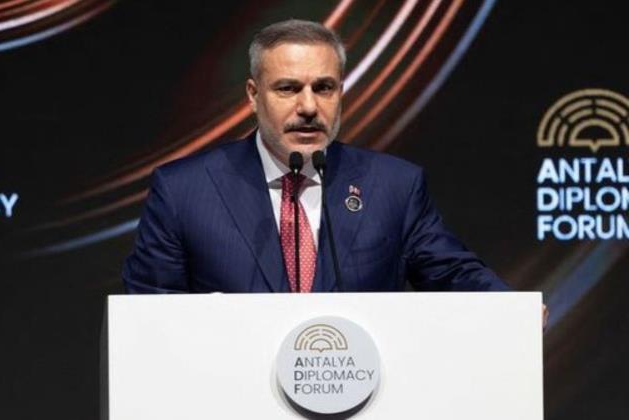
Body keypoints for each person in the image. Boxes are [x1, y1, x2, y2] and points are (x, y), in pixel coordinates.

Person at [122, 19, 511, 295]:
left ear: (341, 92)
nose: (309, 107)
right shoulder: (185, 191)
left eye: (323, 88)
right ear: (253, 95)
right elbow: (148, 315)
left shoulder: (394, 187)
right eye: (288, 89)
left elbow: (453, 273)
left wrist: (513, 311)